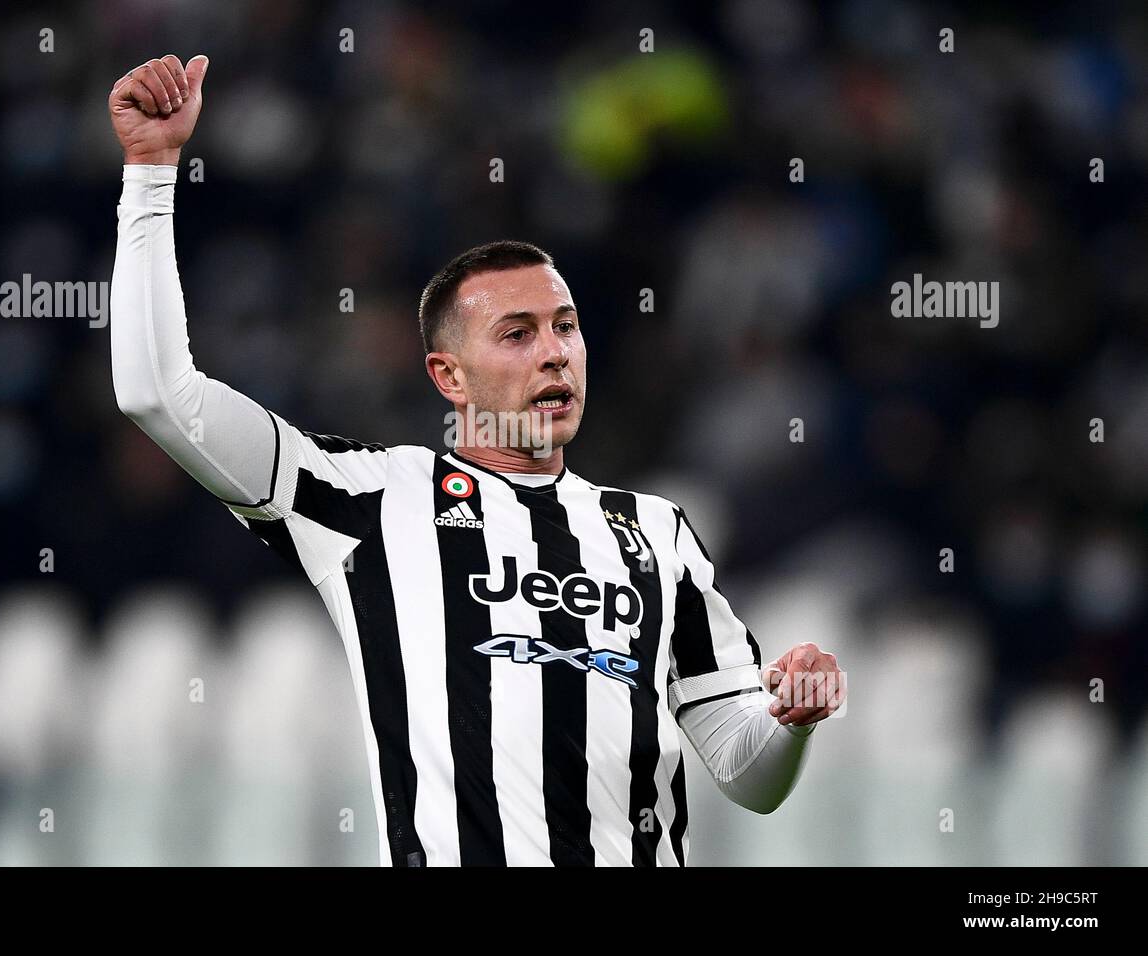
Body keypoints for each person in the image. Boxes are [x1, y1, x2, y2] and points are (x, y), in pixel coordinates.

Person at [108, 54, 846, 867]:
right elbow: (159, 395)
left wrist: (789, 720)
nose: (556, 355)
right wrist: (151, 172)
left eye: (566, 327)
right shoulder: (371, 500)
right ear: (448, 376)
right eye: (518, 334)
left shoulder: (656, 533)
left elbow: (748, 774)